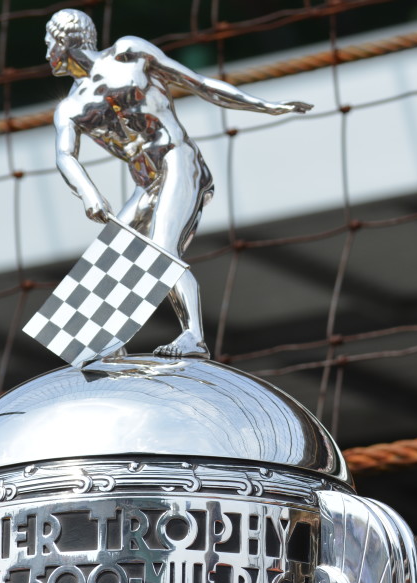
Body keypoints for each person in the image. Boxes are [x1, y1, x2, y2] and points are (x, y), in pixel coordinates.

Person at [46, 9, 312, 358]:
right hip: (145, 180)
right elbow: (64, 156)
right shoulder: (69, 107)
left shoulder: (128, 52)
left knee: (161, 249)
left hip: (177, 160)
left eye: (49, 41)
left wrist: (267, 107)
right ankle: (105, 344)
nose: (47, 51)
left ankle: (193, 337)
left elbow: (199, 84)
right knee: (113, 253)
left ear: (66, 40)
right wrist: (89, 194)